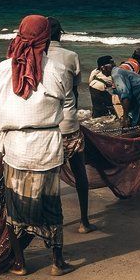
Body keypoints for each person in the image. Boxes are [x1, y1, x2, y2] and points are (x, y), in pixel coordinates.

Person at [0, 14, 74, 276]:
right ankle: (57, 262)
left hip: (15, 146)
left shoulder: (4, 68)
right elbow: (62, 101)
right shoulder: (58, 69)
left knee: (14, 206)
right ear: (46, 37)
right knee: (51, 205)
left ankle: (19, 263)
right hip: (46, 146)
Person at [46, 17, 95, 234]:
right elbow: (74, 91)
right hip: (68, 125)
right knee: (79, 172)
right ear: (60, 34)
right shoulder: (71, 56)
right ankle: (84, 222)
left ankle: (51, 223)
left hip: (44, 126)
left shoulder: (33, 57)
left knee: (49, 178)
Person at [100, 55, 140, 127]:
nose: (102, 72)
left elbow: (125, 97)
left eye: (101, 69)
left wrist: (125, 117)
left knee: (134, 124)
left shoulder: (116, 74)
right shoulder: (119, 71)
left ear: (104, 68)